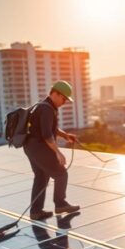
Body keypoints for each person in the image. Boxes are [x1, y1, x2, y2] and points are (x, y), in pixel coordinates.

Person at [24, 80, 80, 220]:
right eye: (63, 98)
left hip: (31, 147)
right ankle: (60, 204)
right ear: (55, 94)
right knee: (61, 174)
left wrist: (65, 135)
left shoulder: (44, 106)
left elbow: (50, 128)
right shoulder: (47, 109)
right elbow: (47, 135)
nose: (64, 102)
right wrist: (58, 153)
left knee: (41, 177)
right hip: (39, 147)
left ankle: (36, 212)